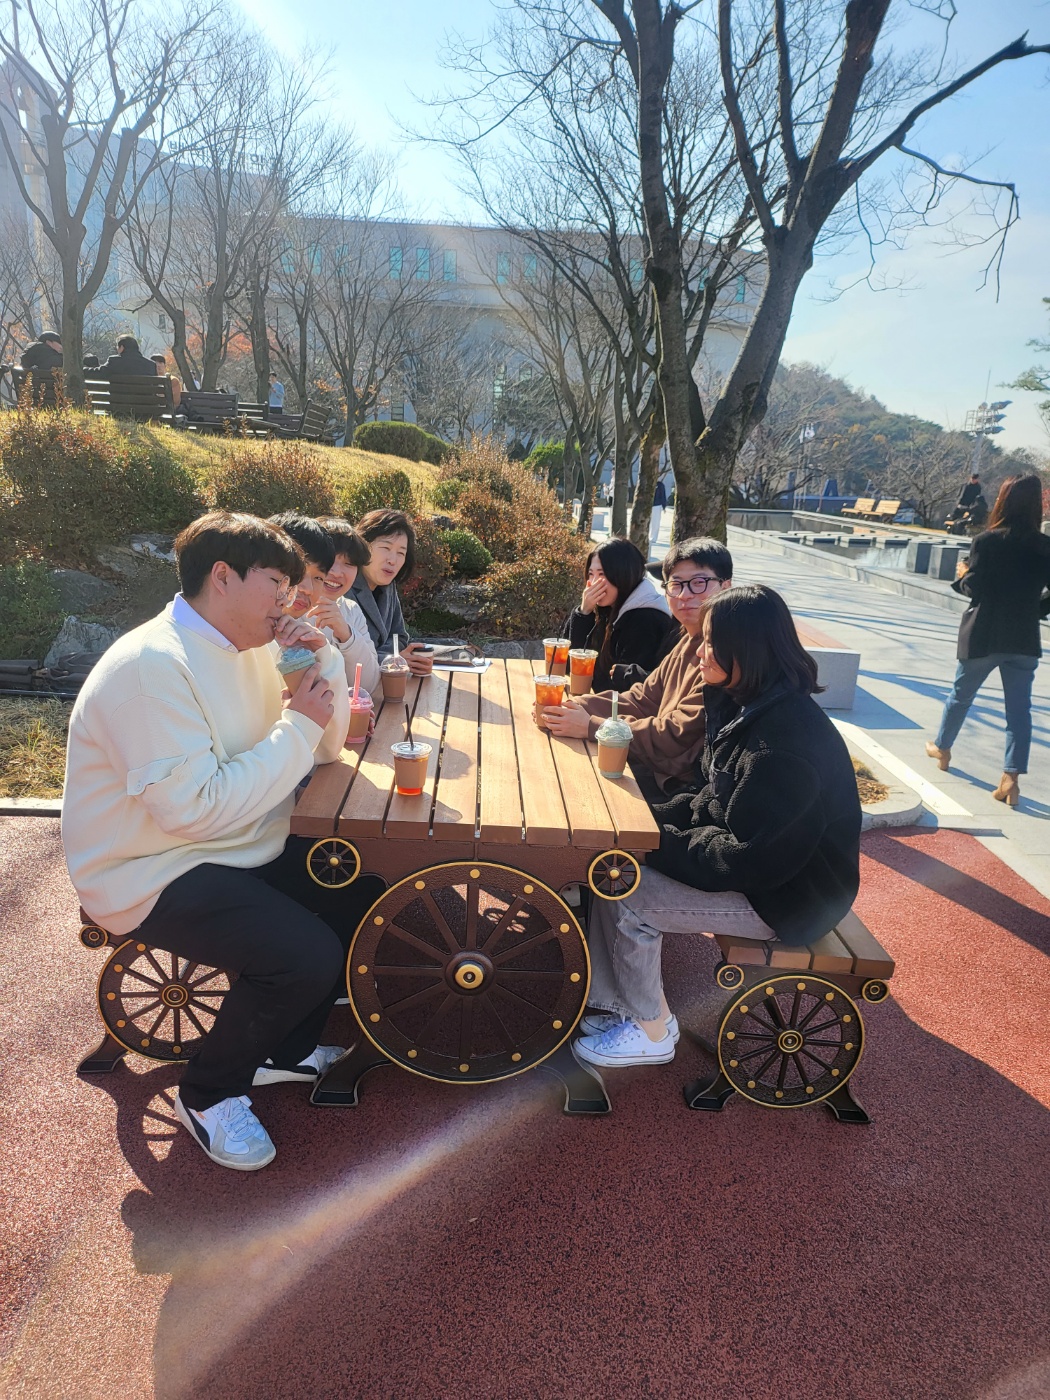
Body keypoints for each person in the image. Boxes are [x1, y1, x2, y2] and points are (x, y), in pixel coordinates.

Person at [61, 511, 383, 1170]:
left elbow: (324, 751)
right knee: (304, 955)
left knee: (358, 892)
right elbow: (193, 811)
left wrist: (314, 660)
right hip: (148, 869)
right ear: (222, 576)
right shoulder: (152, 667)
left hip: (231, 845)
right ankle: (209, 1091)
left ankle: (279, 1051)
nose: (291, 598)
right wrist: (297, 724)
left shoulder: (254, 648)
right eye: (278, 582)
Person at [574, 584, 862, 1069]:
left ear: (747, 649)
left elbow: (747, 858)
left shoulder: (782, 743)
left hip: (791, 899)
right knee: (612, 869)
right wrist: (644, 825)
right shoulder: (746, 704)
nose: (699, 651)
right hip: (771, 874)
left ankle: (651, 1030)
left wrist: (656, 842)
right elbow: (712, 799)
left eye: (712, 642)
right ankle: (626, 1008)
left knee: (625, 894)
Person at [542, 538, 733, 799]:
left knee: (575, 793)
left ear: (726, 586)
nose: (685, 595)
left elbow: (676, 733)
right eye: (676, 585)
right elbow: (642, 698)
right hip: (652, 765)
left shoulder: (722, 652)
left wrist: (591, 725)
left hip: (680, 789)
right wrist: (573, 709)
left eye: (699, 583)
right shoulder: (688, 638)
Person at [927, 473, 1050, 807]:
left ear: (1003, 501)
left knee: (960, 696)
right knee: (1019, 711)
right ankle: (1011, 777)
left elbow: (976, 588)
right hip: (1023, 638)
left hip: (983, 634)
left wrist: (963, 574)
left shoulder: (986, 541)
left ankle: (942, 748)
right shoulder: (1045, 546)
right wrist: (1032, 610)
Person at [565, 536, 674, 692]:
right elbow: (570, 665)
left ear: (622, 574)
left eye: (602, 574)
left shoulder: (646, 619)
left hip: (622, 712)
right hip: (599, 704)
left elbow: (623, 690)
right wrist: (584, 612)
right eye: (591, 574)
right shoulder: (606, 608)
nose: (594, 583)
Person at [349, 509, 434, 675]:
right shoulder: (344, 587)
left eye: (401, 553)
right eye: (385, 547)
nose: (392, 560)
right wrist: (392, 660)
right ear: (363, 545)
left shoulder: (387, 586)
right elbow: (345, 654)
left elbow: (400, 637)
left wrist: (398, 658)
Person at [313, 517, 382, 695]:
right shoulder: (290, 609)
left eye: (349, 564)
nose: (336, 572)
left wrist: (345, 634)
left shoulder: (351, 610)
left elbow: (369, 685)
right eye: (330, 561)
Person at [650, 472, 669, 546]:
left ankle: (653, 538)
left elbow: (663, 496)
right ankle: (648, 536)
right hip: (650, 505)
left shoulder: (660, 485)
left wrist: (664, 506)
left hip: (657, 506)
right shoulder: (650, 484)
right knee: (650, 522)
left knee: (655, 522)